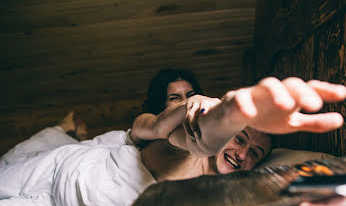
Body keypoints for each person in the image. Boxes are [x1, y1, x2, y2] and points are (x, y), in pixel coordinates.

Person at [0, 77, 346, 206]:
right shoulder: (179, 139)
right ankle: (66, 131)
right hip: (57, 169)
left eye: (254, 153)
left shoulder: (214, 201)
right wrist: (201, 121)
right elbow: (165, 129)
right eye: (239, 139)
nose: (242, 155)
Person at [0, 69, 202, 168]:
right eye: (174, 98)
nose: (186, 102)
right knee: (22, 161)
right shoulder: (149, 121)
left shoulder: (200, 138)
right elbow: (157, 127)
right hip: (104, 149)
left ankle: (77, 136)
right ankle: (64, 129)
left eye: (190, 95)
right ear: (161, 104)